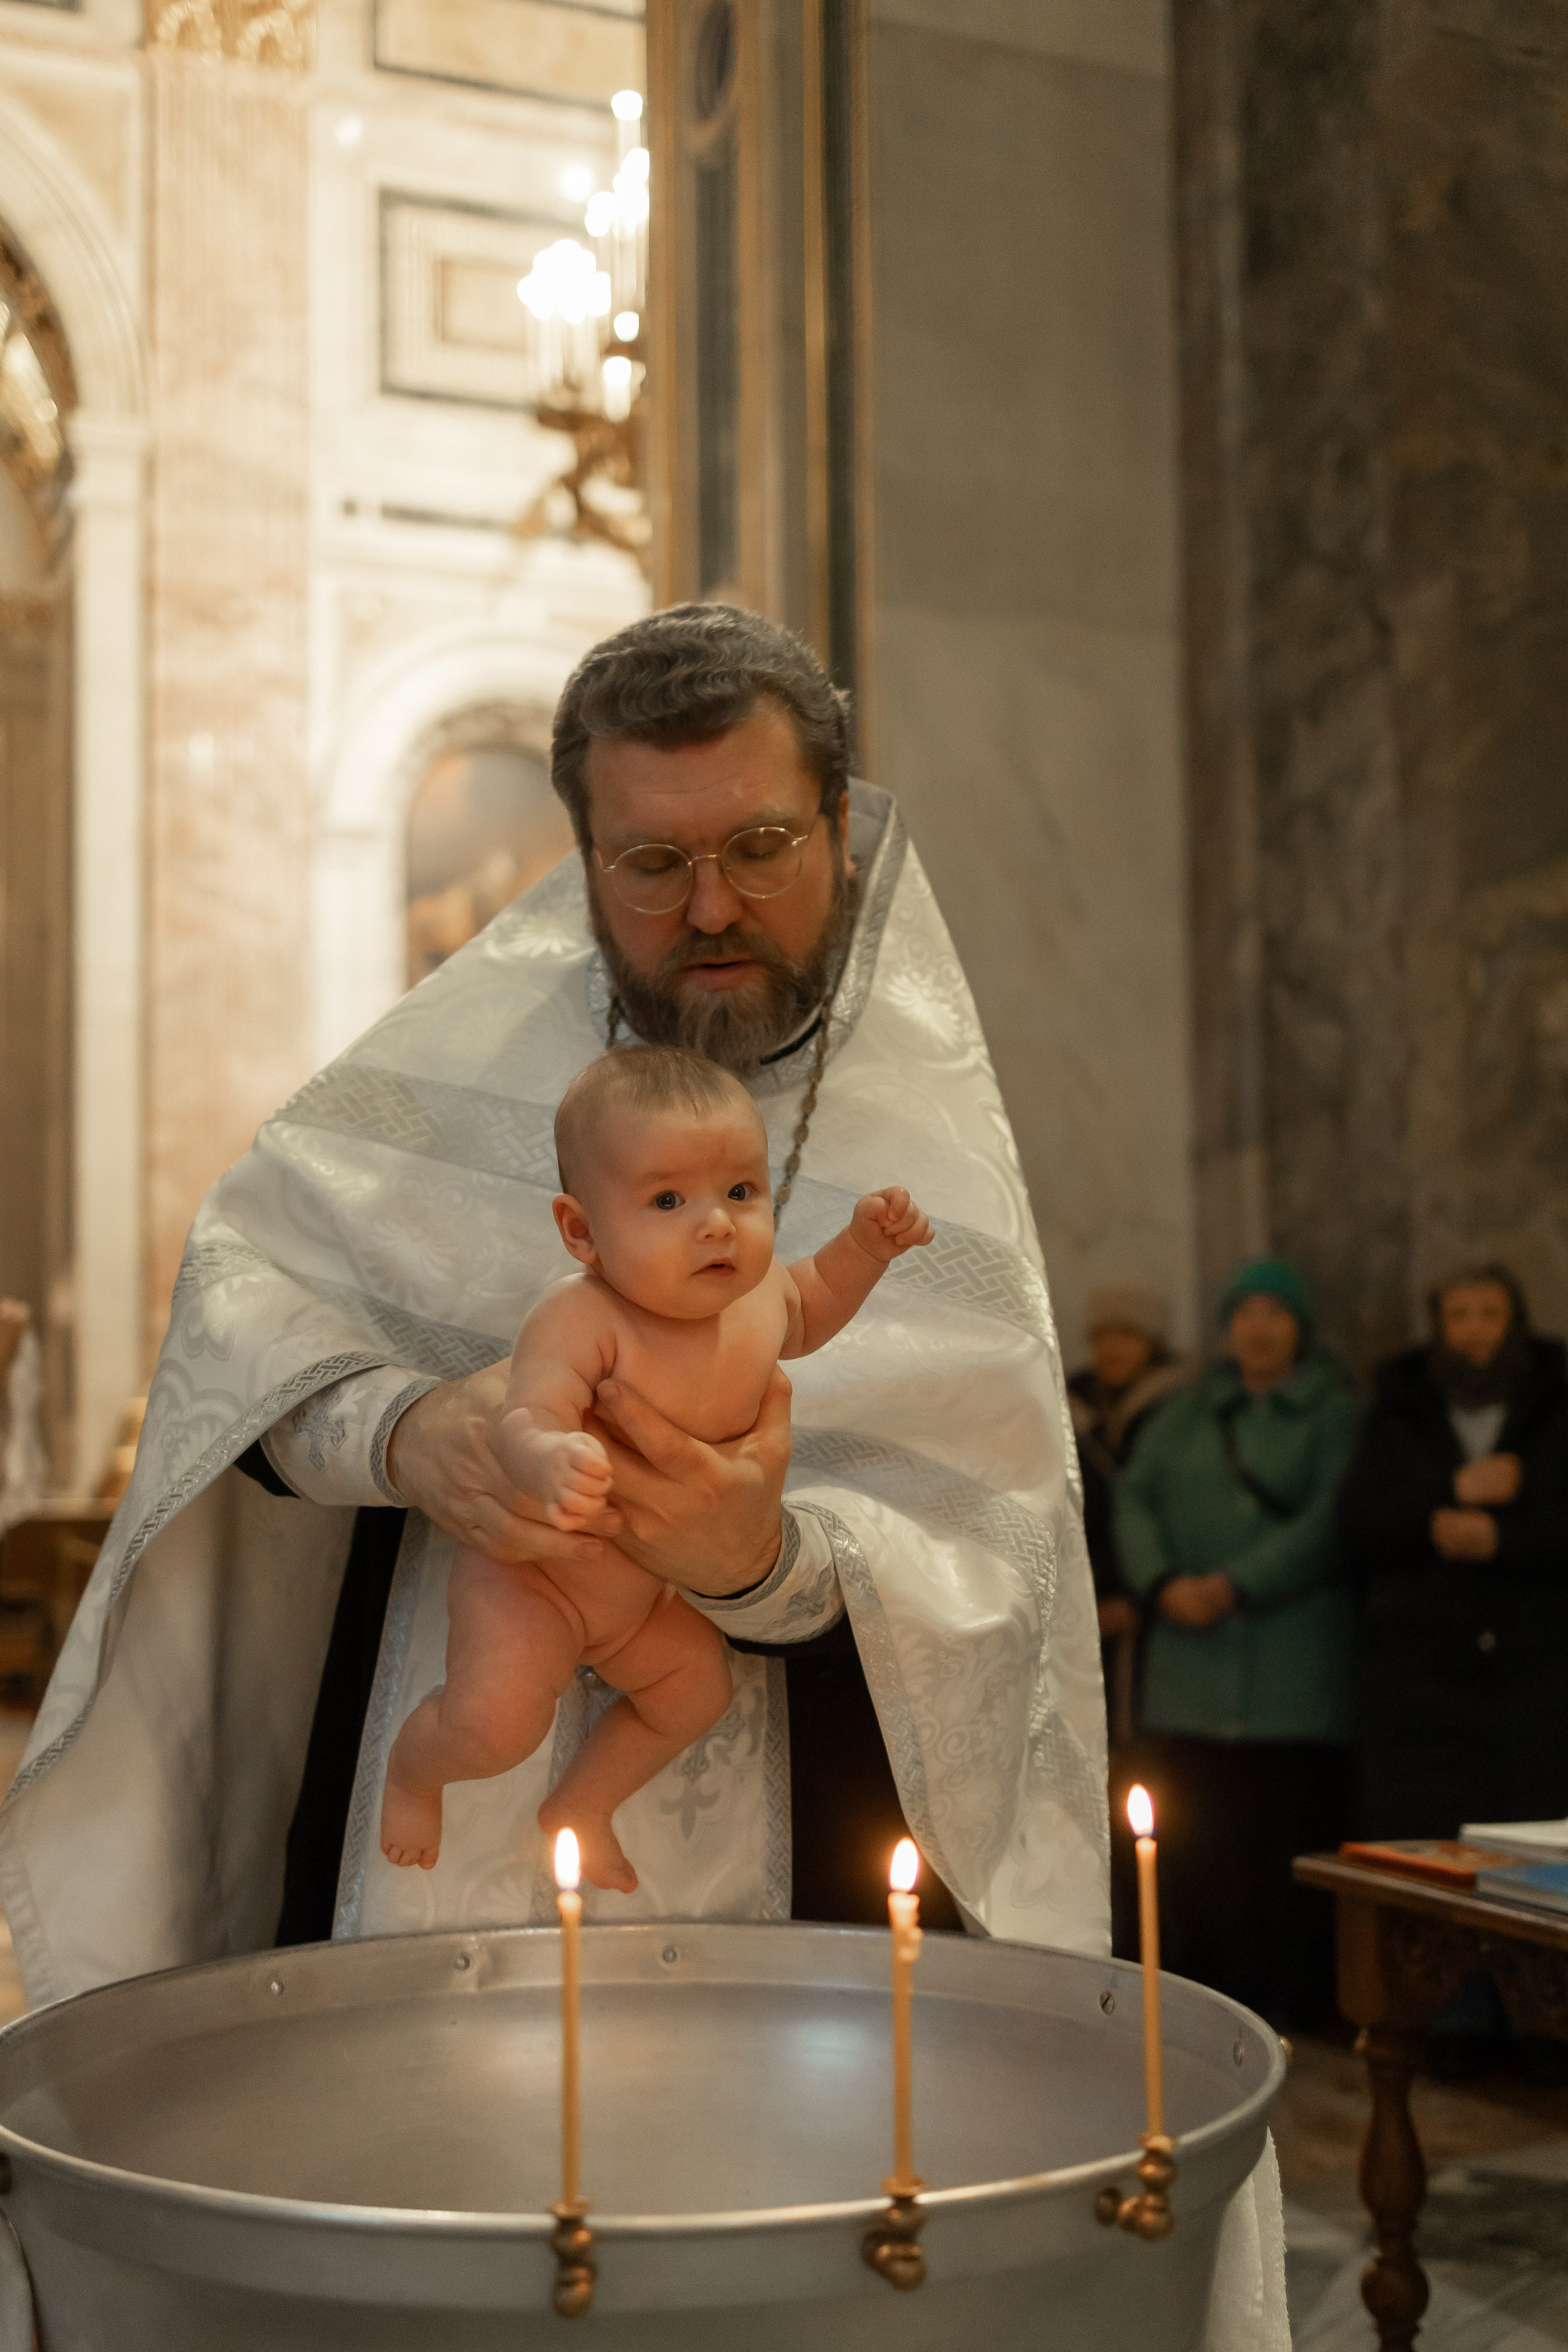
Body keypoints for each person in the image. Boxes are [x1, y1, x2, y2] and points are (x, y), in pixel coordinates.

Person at [0, 605, 1107, 1994]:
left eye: (757, 846)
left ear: (837, 821)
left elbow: (991, 1559)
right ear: (582, 858)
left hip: (813, 1863)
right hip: (439, 1839)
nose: (708, 905)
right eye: (650, 861)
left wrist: (769, 1560)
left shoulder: (933, 1153)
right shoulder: (441, 1076)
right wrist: (411, 1432)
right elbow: (237, 1317)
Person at [382, 1044, 933, 1883]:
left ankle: (580, 1805)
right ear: (582, 1232)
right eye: (668, 1200)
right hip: (536, 1582)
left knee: (693, 1693)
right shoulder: (581, 1317)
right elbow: (524, 1413)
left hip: (642, 1595)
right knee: (494, 1728)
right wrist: (551, 1454)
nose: (717, 1223)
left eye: (741, 1192)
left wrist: (864, 1248)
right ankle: (415, 1772)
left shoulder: (759, 1298)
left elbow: (815, 1306)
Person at [1114, 1256, 1360, 2027]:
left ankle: (1290, 2003)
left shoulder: (1336, 1412)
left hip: (1290, 1675)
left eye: (1274, 1314)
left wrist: (1236, 1583)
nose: (1258, 1328)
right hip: (1188, 1670)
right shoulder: (1187, 1413)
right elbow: (1133, 1497)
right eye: (1243, 1313)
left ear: (1301, 1329)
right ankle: (1202, 2000)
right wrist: (1160, 1582)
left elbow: (1331, 1515)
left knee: (1280, 1844)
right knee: (1198, 1847)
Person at [1341, 1264, 1568, 1839]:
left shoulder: (1557, 1408)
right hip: (1419, 1686)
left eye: (1490, 1315)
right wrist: (1446, 1499)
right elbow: (1357, 1525)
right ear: (1438, 1327)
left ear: (1515, 1323)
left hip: (1536, 1680)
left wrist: (1502, 1541)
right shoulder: (1397, 1411)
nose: (1475, 1330)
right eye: (1459, 1316)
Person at [1066, 1283, 1193, 1737]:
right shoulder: (1072, 1408)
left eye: (1127, 1334)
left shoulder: (1183, 1408)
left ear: (1151, 1343)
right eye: (1102, 1335)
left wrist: (1142, 1592)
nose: (1111, 1348)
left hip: (1158, 1604)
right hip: (1089, 1605)